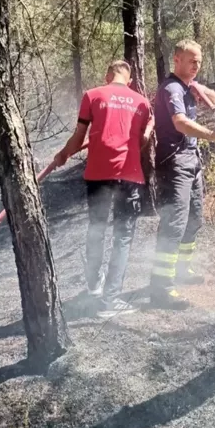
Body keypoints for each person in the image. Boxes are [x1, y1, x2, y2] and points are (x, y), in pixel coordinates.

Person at [53, 60, 152, 313]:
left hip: (97, 174)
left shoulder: (92, 95)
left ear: (108, 75)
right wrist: (148, 129)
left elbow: (78, 138)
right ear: (129, 80)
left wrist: (63, 155)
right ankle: (110, 299)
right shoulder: (142, 102)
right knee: (123, 236)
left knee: (96, 228)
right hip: (128, 175)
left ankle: (93, 286)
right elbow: (142, 142)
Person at [150, 40, 215, 310]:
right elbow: (180, 122)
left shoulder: (187, 86)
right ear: (176, 59)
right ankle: (160, 288)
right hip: (174, 162)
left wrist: (199, 86)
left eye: (199, 61)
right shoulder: (172, 88)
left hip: (192, 160)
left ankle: (182, 270)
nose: (196, 65)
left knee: (194, 217)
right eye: (191, 61)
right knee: (174, 223)